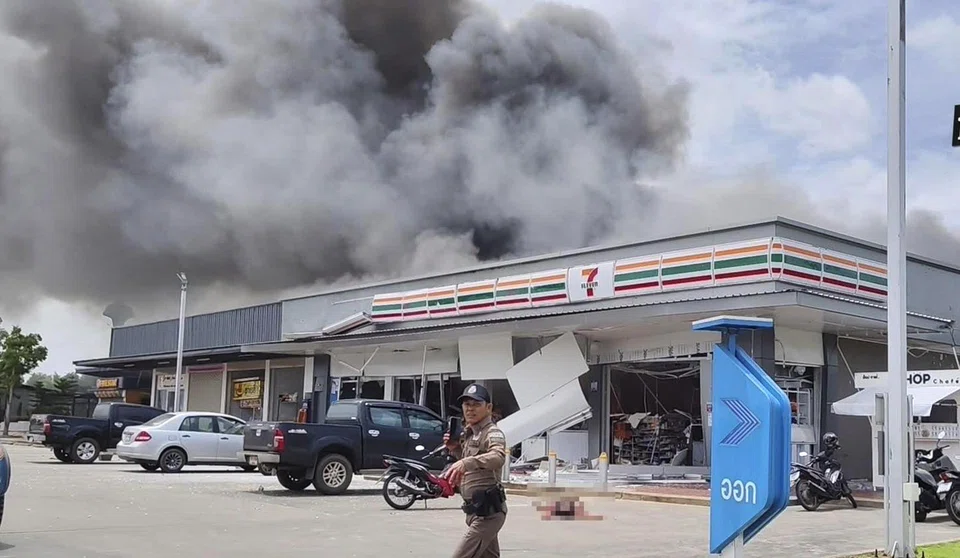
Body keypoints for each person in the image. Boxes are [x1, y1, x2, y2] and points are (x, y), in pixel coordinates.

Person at [442, 383, 508, 558]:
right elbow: (471, 468)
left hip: (488, 513)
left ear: (489, 408)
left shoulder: (492, 433)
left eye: (476, 404)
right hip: (475, 511)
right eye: (466, 404)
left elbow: (497, 457)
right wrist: (455, 449)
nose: (470, 409)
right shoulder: (470, 434)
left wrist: (467, 462)